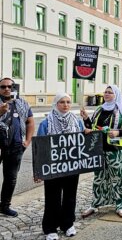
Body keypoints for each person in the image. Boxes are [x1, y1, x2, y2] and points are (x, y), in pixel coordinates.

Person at [81, 85, 122, 218]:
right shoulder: (99, 109)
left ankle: (121, 205)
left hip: (116, 151)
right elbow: (93, 128)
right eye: (105, 92)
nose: (107, 94)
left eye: (110, 92)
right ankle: (96, 204)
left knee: (118, 178)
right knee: (99, 178)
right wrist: (86, 119)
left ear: (116, 95)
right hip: (99, 150)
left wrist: (118, 132)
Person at [36, 93, 85, 240]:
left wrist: (87, 131)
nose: (65, 105)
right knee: (53, 197)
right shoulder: (46, 123)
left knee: (70, 196)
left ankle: (68, 224)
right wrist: (38, 169)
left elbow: (82, 140)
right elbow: (40, 147)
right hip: (53, 167)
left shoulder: (77, 121)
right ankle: (50, 228)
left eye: (68, 102)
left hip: (71, 166)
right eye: (62, 102)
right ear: (56, 104)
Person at [0, 77, 34, 217]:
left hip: (15, 146)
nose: (7, 89)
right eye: (3, 87)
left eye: (10, 86)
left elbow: (30, 122)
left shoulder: (22, 103)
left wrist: (27, 141)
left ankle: (5, 206)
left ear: (14, 88)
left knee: (11, 178)